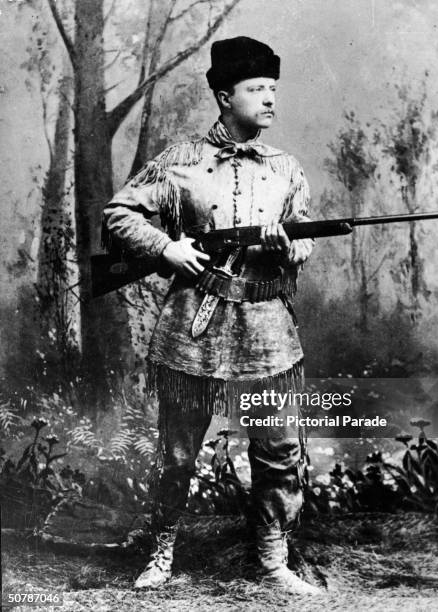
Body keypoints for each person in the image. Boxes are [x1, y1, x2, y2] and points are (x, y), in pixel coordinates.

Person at [102, 36, 321, 595]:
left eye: (273, 89)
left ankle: (273, 557)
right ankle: (161, 548)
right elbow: (119, 215)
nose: (270, 99)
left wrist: (291, 247)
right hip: (194, 325)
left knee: (277, 447)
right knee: (177, 449)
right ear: (226, 96)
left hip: (267, 324)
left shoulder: (286, 169)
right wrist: (166, 249)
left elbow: (304, 236)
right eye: (256, 89)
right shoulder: (181, 163)